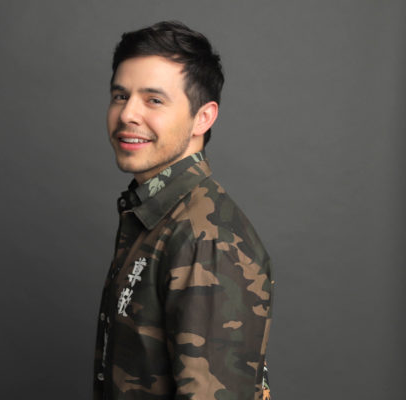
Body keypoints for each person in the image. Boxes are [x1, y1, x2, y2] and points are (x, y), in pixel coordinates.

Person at [94, 21, 273, 400]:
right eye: (120, 96)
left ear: (203, 117)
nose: (127, 114)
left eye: (154, 100)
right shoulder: (154, 214)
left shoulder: (206, 239)